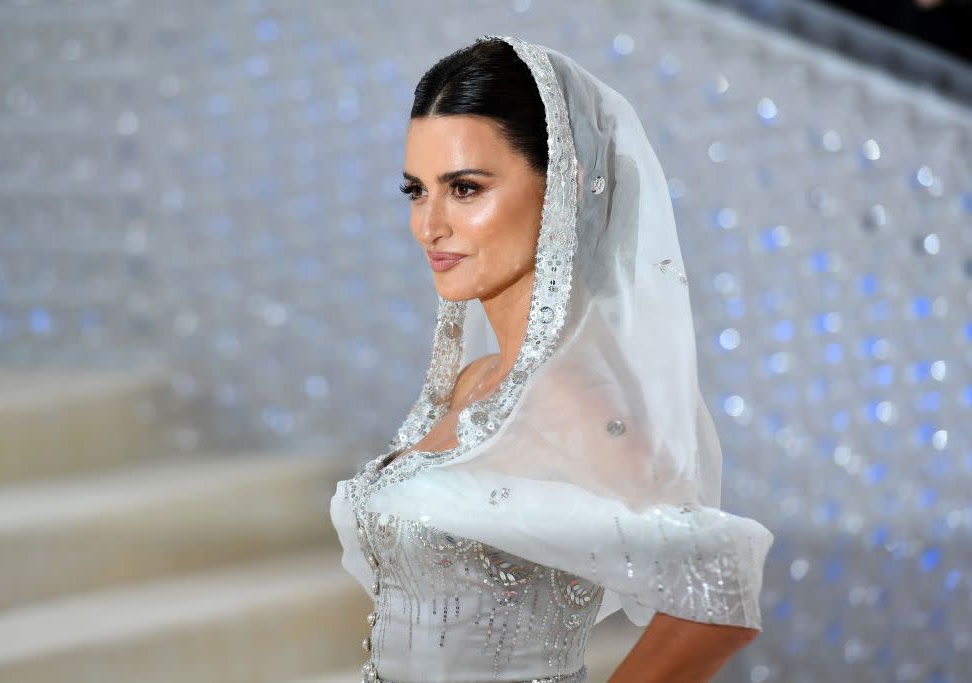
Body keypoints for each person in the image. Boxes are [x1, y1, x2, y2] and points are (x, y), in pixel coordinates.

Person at [329, 34, 775, 683]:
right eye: (416, 191)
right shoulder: (476, 381)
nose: (429, 226)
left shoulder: (576, 401)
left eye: (464, 187)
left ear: (562, 184)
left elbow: (720, 594)